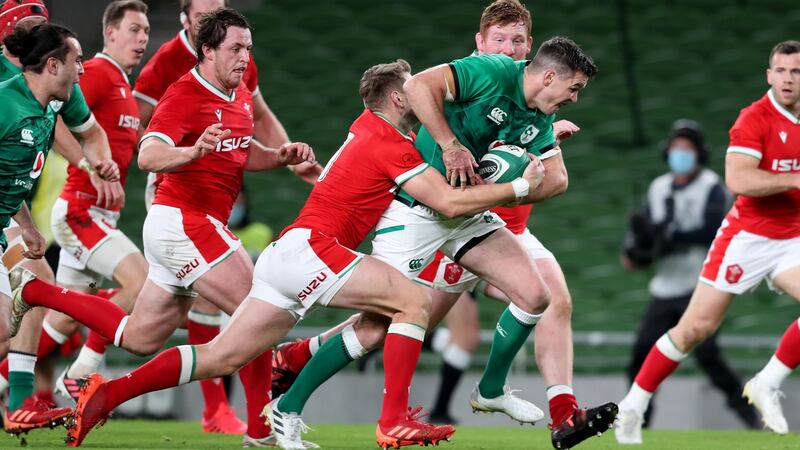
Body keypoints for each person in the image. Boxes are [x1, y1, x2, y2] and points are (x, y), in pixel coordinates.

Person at [65, 56, 548, 449]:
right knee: (414, 302)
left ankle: (108, 396)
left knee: (219, 357)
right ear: (399, 98)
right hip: (314, 250)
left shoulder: (370, 132)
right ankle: (394, 420)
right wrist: (520, 186)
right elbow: (445, 201)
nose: (423, 97)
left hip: (290, 255)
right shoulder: (390, 143)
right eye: (413, 89)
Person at [268, 36, 614, 450]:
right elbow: (417, 87)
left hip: (467, 215)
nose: (574, 99)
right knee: (374, 329)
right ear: (550, 76)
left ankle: (489, 390)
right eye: (573, 88)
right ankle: (287, 406)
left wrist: (516, 186)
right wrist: (451, 146)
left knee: (537, 295)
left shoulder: (537, 119)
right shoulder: (490, 71)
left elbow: (558, 182)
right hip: (417, 212)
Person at [128, 0, 323, 433]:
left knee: (139, 338)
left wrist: (280, 157)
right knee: (258, 311)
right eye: (236, 49)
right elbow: (147, 153)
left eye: (249, 49)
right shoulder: (183, 89)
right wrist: (193, 151)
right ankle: (259, 426)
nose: (245, 58)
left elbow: (242, 152)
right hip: (181, 214)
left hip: (202, 220)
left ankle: (100, 385)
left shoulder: (236, 93)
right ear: (207, 50)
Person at [615, 41, 800, 444]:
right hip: (747, 237)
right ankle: (634, 404)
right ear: (769, 75)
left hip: (793, 239)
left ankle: (767, 382)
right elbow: (739, 180)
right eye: (781, 71)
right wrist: (794, 179)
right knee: (695, 329)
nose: (788, 79)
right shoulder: (755, 118)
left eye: (796, 72)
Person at [0, 1, 121, 433]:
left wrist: (29, 225)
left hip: (9, 224)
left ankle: (18, 404)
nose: (82, 70)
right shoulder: (7, 101)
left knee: (21, 307)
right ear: (52, 63)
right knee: (36, 293)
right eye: (77, 60)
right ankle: (109, 322)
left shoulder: (48, 103)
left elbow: (11, 175)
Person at [36, 0, 151, 408]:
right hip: (80, 210)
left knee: (66, 318)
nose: (142, 38)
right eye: (134, 29)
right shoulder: (99, 73)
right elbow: (54, 117)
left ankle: (4, 387)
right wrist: (89, 166)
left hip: (98, 213)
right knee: (141, 282)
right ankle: (83, 372)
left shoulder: (122, 85)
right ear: (111, 33)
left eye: (146, 31)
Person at [620, 119, 759, 429]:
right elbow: (645, 233)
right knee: (641, 355)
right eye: (676, 148)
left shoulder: (712, 186)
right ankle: (639, 420)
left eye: (687, 149)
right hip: (665, 287)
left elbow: (711, 230)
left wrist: (667, 237)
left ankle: (749, 413)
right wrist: (638, 249)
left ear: (700, 154)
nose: (680, 154)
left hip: (699, 285)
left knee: (709, 356)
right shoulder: (659, 187)